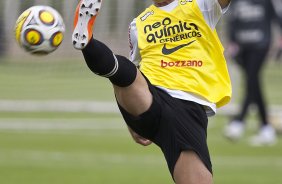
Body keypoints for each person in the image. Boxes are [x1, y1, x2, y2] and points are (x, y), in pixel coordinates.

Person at [72, 0, 231, 183]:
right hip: (159, 99)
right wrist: (130, 121)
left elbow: (123, 81)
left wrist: (131, 117)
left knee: (120, 71)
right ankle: (87, 41)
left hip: (175, 109)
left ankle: (88, 44)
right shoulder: (138, 24)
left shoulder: (202, 5)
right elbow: (129, 76)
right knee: (124, 70)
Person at [223, 0, 282, 146]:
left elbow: (276, 19)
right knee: (253, 83)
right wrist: (232, 44)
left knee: (251, 79)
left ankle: (238, 122)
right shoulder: (236, 2)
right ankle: (266, 127)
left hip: (260, 46)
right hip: (242, 49)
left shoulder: (265, 2)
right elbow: (232, 22)